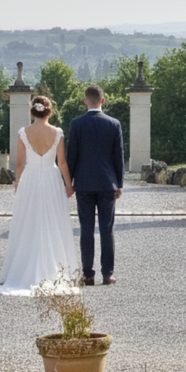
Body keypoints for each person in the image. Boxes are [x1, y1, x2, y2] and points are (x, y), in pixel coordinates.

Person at [0, 96, 80, 296]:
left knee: (29, 221)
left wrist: (18, 185)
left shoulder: (23, 132)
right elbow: (62, 162)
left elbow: (19, 163)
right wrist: (69, 184)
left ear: (33, 112)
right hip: (51, 179)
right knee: (52, 221)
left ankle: (23, 270)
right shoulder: (57, 132)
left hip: (30, 179)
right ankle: (56, 269)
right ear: (49, 111)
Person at [66, 85, 124, 286]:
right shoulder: (114, 124)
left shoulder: (76, 124)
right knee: (107, 229)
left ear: (85, 101)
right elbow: (118, 157)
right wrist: (119, 184)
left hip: (84, 184)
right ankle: (107, 274)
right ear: (103, 101)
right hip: (108, 183)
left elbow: (71, 156)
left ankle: (88, 274)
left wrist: (68, 183)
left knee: (86, 230)